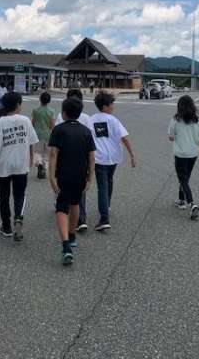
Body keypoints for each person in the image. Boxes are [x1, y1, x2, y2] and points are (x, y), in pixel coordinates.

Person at [49, 97, 96, 266]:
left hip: (63, 175)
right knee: (75, 203)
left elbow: (53, 154)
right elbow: (92, 157)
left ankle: (66, 246)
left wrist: (51, 176)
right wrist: (90, 178)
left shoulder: (59, 130)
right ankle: (72, 235)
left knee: (61, 208)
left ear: (64, 113)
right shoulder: (86, 131)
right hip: (80, 175)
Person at [0, 92, 38, 241]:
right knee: (20, 194)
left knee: (4, 196)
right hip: (21, 164)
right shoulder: (25, 120)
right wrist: (31, 158)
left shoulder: (1, 122)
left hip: (4, 165)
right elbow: (31, 142)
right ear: (18, 105)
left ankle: (6, 227)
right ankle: (18, 218)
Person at [90, 91, 136, 231]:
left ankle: (104, 212)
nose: (113, 106)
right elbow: (124, 138)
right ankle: (105, 214)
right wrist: (132, 155)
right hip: (113, 157)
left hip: (99, 158)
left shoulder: (91, 120)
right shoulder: (113, 120)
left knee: (103, 186)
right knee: (108, 181)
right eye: (111, 104)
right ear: (105, 106)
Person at [56, 88, 92, 232]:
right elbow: (91, 142)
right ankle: (80, 219)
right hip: (82, 159)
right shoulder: (87, 118)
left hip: (64, 159)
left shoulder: (61, 116)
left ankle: (65, 214)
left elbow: (56, 136)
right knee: (80, 191)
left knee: (63, 190)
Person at [168, 95, 199, 220]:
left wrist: (178, 137)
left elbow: (171, 137)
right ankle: (181, 200)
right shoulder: (197, 120)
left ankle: (191, 203)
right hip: (193, 153)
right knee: (186, 177)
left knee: (183, 178)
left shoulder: (175, 119)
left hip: (180, 154)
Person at [31, 92, 55, 179]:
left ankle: (39, 163)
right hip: (48, 134)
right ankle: (44, 168)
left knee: (38, 151)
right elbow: (52, 125)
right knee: (46, 153)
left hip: (37, 134)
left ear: (40, 99)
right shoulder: (51, 111)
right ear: (49, 101)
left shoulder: (35, 110)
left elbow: (33, 123)